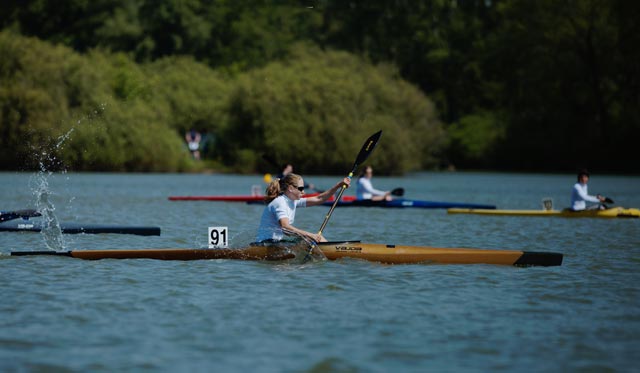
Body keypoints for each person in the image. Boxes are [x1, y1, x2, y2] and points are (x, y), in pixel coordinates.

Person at [256, 173, 350, 243]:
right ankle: (334, 252)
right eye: (301, 189)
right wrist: (310, 235)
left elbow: (319, 198)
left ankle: (332, 251)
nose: (303, 192)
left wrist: (338, 185)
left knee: (312, 239)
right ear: (291, 188)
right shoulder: (280, 203)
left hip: (275, 243)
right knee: (312, 239)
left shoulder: (293, 201)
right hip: (266, 244)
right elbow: (285, 227)